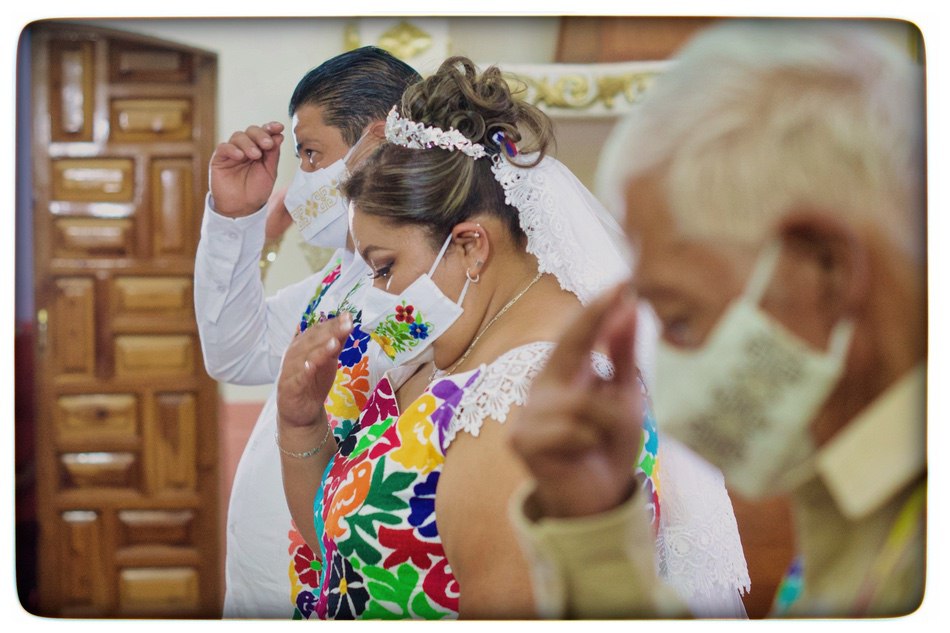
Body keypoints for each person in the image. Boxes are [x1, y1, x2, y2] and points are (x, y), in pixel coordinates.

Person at [275, 56, 750, 620]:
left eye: (383, 267)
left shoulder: (518, 411)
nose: (376, 294)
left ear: (471, 246)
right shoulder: (448, 349)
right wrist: (301, 423)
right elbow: (355, 550)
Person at [508, 19, 926, 619]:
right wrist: (594, 533)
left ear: (824, 267)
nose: (672, 404)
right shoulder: (858, 496)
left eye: (680, 322)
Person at [194, 46, 421, 618]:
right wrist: (236, 223)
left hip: (339, 583)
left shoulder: (427, 291)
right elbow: (234, 352)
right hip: (264, 575)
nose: (300, 185)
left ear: (379, 141)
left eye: (312, 156)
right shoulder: (338, 276)